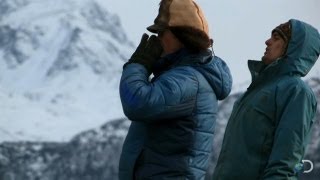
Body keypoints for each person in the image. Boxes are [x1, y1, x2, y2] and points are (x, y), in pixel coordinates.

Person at [118, 0, 232, 179]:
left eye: (162, 32)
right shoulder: (184, 75)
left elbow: (138, 102)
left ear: (182, 36)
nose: (158, 38)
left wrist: (138, 64)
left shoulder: (188, 79)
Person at [212, 19, 320, 179]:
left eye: (277, 38)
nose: (267, 41)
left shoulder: (296, 91)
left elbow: (286, 161)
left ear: (293, 47)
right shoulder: (256, 90)